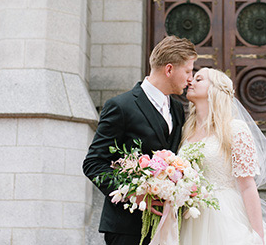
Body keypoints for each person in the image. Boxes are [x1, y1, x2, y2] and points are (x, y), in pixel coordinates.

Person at [82, 36, 197, 245]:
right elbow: (93, 165)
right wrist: (135, 195)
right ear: (169, 69)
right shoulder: (121, 106)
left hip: (167, 227)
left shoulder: (178, 109)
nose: (190, 79)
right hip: (127, 227)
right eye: (188, 71)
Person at [180, 68, 266, 245]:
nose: (191, 82)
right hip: (191, 216)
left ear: (214, 89)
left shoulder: (235, 129)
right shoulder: (185, 131)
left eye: (199, 79)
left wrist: (259, 236)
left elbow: (247, 186)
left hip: (225, 214)